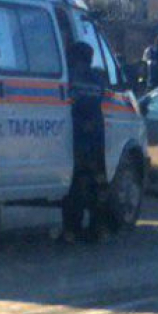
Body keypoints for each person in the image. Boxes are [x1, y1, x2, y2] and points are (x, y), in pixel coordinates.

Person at [62, 41, 107, 244]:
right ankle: (97, 229)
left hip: (76, 139)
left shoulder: (70, 77)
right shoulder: (97, 79)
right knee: (96, 185)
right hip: (96, 139)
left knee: (74, 187)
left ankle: (72, 230)